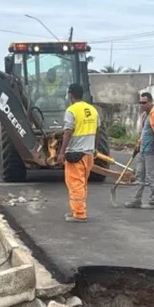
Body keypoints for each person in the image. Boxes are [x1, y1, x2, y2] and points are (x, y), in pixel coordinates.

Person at [125, 92, 154, 210]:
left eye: (144, 102)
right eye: (140, 102)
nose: (142, 105)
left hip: (151, 150)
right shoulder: (145, 115)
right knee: (139, 175)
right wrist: (139, 143)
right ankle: (136, 200)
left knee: (151, 176)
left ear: (151, 102)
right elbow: (145, 132)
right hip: (143, 149)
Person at [59, 83, 98, 223]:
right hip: (88, 154)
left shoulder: (71, 110)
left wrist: (61, 152)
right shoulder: (93, 110)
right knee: (82, 184)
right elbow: (97, 131)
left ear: (70, 95)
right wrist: (96, 149)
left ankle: (80, 214)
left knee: (75, 184)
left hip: (76, 154)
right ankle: (77, 210)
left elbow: (68, 131)